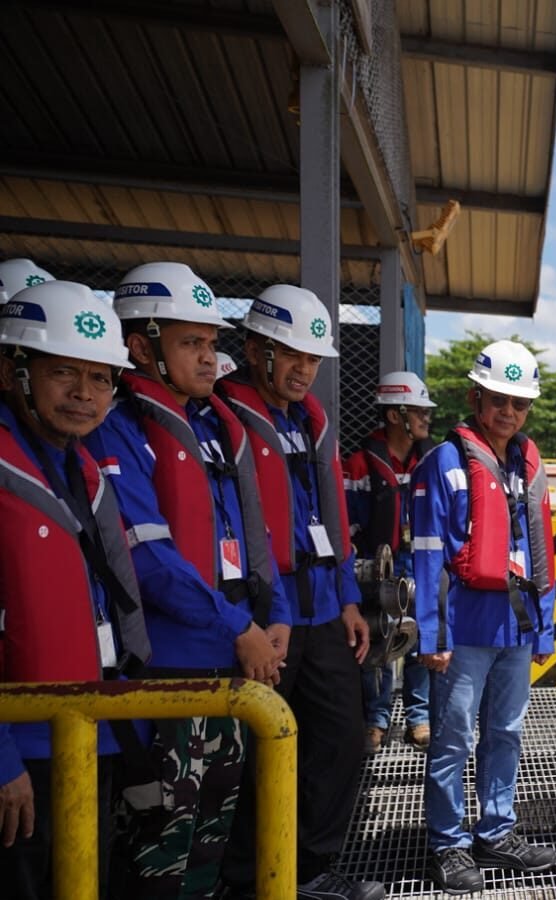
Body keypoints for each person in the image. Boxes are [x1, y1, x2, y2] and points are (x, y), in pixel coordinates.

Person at [85, 261, 289, 899]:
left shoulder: (208, 428)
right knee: (160, 852)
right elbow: (145, 560)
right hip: (172, 674)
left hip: (234, 658)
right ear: (141, 347)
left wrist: (274, 611)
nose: (209, 358)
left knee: (209, 843)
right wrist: (240, 628)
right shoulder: (117, 429)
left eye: (212, 343)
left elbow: (249, 537)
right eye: (191, 343)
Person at [215, 285, 383, 900]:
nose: (302, 370)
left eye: (311, 360)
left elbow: (328, 523)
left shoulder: (307, 420)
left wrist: (347, 600)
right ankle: (249, 881)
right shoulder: (222, 414)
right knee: (253, 757)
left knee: (340, 740)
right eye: (290, 355)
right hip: (264, 617)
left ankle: (309, 869)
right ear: (254, 348)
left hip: (321, 611)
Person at [0, 281, 153, 899]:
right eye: (63, 372)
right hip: (23, 745)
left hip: (91, 729)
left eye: (99, 378)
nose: (84, 395)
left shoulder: (77, 468)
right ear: (14, 370)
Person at [411, 340, 556, 894]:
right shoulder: (444, 465)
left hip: (516, 630)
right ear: (476, 397)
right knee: (452, 738)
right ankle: (448, 845)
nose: (508, 413)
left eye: (519, 405)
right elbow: (428, 556)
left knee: (507, 732)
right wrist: (432, 634)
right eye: (498, 400)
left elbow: (539, 553)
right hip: (463, 631)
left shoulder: (527, 465)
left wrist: (543, 625)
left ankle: (496, 830)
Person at [345, 371, 435, 754]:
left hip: (420, 562)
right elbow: (347, 519)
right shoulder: (361, 464)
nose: (426, 419)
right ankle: (377, 719)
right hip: (378, 565)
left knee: (419, 636)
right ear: (396, 414)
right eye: (419, 411)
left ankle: (419, 717)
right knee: (380, 639)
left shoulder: (430, 460)